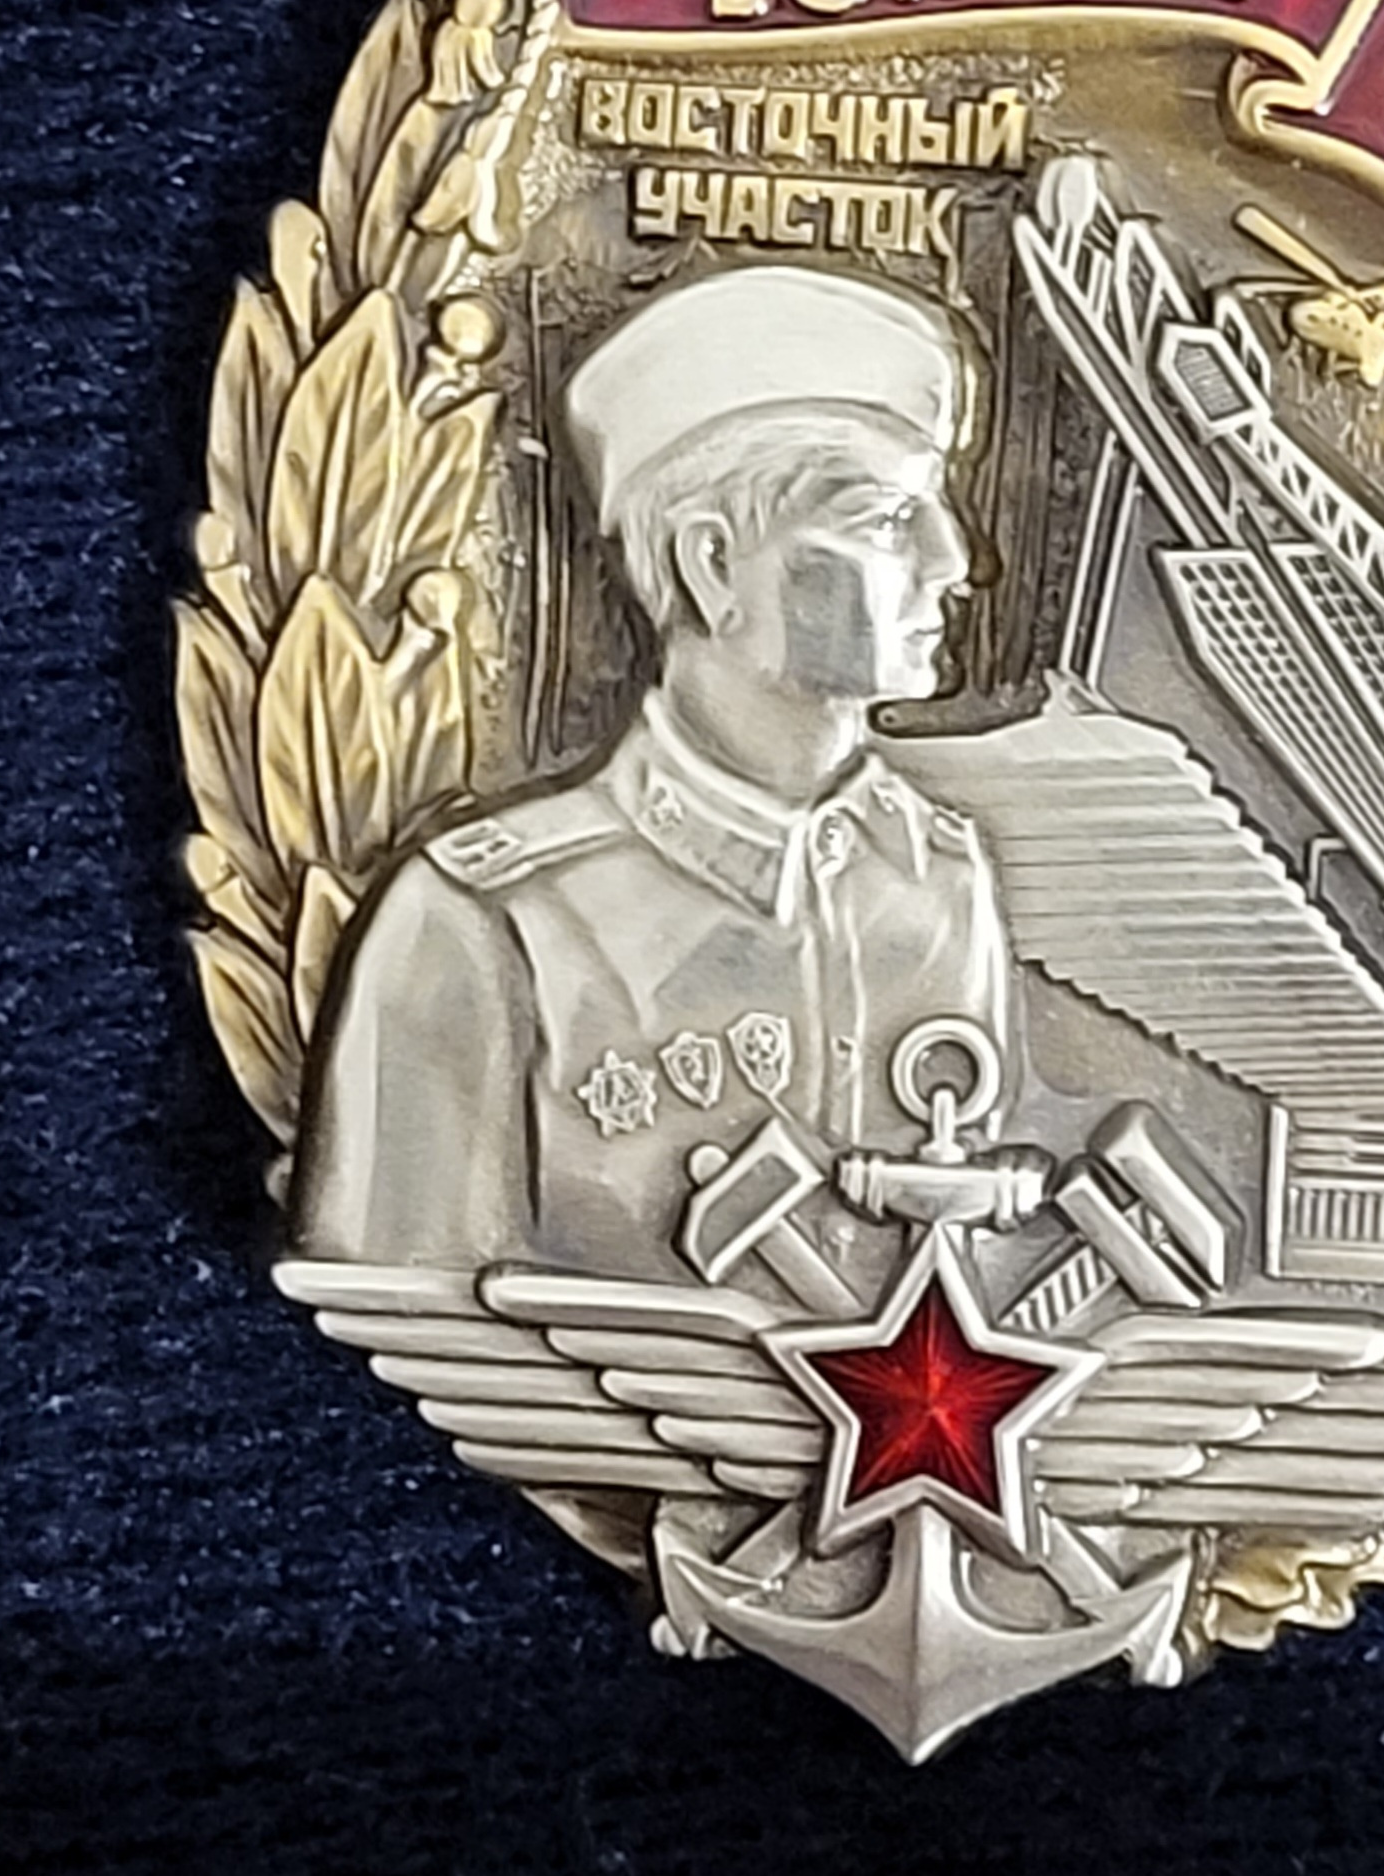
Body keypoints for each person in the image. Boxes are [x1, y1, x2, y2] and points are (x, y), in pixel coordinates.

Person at [291, 264, 1014, 1280]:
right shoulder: (481, 921)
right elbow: (398, 1310)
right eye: (886, 520)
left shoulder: (940, 882)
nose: (956, 561)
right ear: (713, 566)